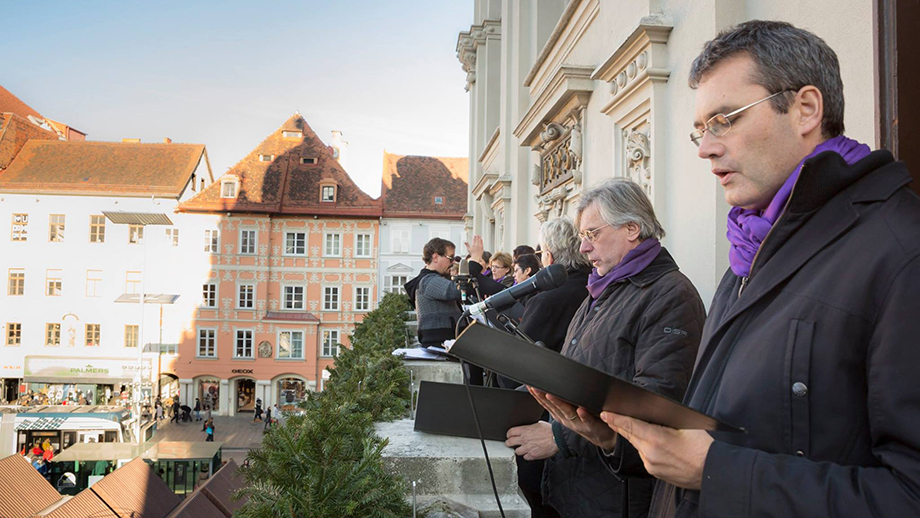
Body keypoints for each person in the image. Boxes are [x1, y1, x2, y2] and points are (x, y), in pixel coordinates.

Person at [538, 20, 920, 518]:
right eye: (700, 129)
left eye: (725, 120)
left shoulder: (900, 250)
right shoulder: (751, 248)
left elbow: (908, 494)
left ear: (805, 109)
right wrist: (614, 438)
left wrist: (719, 473)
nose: (705, 148)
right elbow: (715, 429)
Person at [510, 179, 706, 517]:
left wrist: (560, 437)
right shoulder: (603, 290)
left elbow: (656, 407)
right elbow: (584, 374)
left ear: (632, 228)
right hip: (577, 488)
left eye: (591, 234)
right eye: (581, 237)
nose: (584, 249)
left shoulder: (671, 296)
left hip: (623, 497)